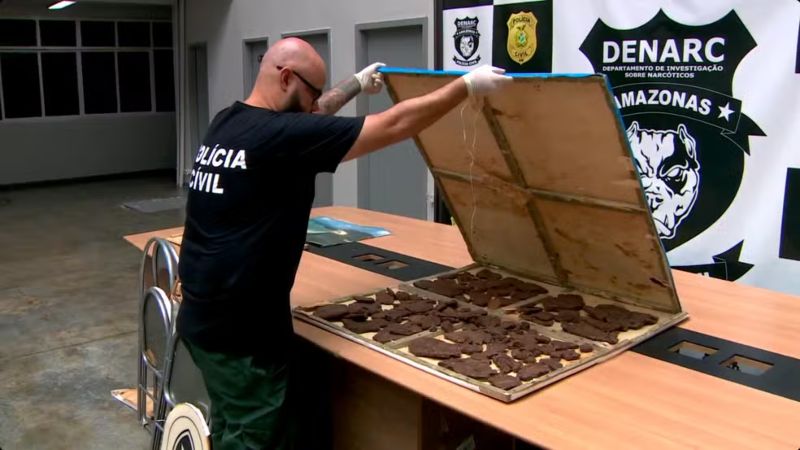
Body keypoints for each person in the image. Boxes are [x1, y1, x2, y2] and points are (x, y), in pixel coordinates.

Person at [177, 37, 511, 450]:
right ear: (286, 78)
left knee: (233, 425)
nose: (316, 103)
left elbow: (311, 117)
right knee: (255, 436)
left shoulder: (229, 122)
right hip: (242, 337)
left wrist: (354, 85)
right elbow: (392, 125)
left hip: (204, 318)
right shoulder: (279, 136)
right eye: (312, 92)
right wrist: (465, 87)